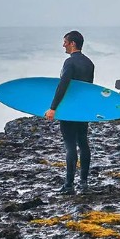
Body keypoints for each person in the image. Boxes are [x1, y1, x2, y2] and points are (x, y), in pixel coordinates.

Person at [45, 30, 95, 193]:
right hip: (83, 110)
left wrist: (53, 108)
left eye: (65, 42)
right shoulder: (89, 63)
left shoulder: (69, 63)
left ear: (73, 43)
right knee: (83, 143)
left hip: (69, 110)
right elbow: (88, 89)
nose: (63, 45)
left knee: (70, 146)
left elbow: (63, 86)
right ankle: (84, 183)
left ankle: (69, 185)